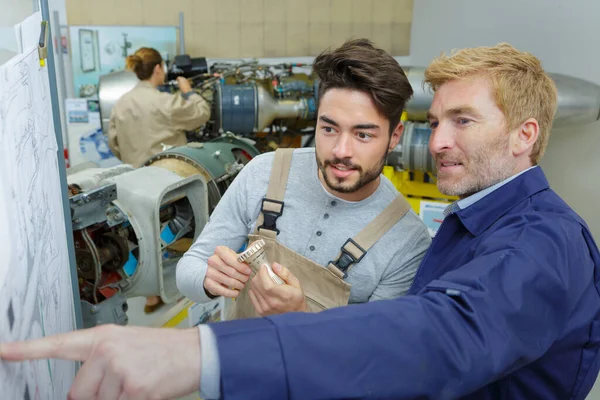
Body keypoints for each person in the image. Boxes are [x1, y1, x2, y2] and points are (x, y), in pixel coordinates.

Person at [3, 42, 600, 400]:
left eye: (463, 122)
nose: (439, 141)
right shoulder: (470, 224)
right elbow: (193, 269)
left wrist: (200, 353)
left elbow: (431, 341)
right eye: (438, 121)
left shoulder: (532, 242)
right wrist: (211, 280)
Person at [175, 38, 431, 319]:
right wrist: (209, 281)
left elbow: (373, 350)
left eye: (363, 135)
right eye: (329, 128)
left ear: (395, 136)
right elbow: (190, 268)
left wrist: (300, 316)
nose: (340, 151)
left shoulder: (406, 241)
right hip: (235, 356)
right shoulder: (264, 172)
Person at [108, 47, 210, 313]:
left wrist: (134, 159)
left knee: (138, 235)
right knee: (181, 227)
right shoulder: (164, 102)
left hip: (132, 182)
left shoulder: (121, 104)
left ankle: (150, 295)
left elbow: (114, 143)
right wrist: (187, 89)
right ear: (157, 69)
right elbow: (202, 113)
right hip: (167, 186)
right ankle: (181, 283)